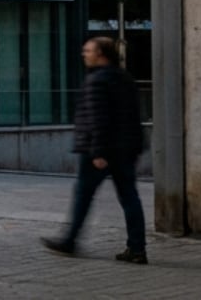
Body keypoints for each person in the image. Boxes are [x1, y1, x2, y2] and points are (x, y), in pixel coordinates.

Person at [43, 36, 147, 263]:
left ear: (101, 54)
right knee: (130, 197)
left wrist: (98, 152)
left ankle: (69, 240)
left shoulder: (97, 81)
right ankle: (137, 249)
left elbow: (99, 119)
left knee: (83, 195)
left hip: (100, 149)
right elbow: (135, 116)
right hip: (127, 148)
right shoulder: (125, 78)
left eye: (88, 51)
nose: (84, 55)